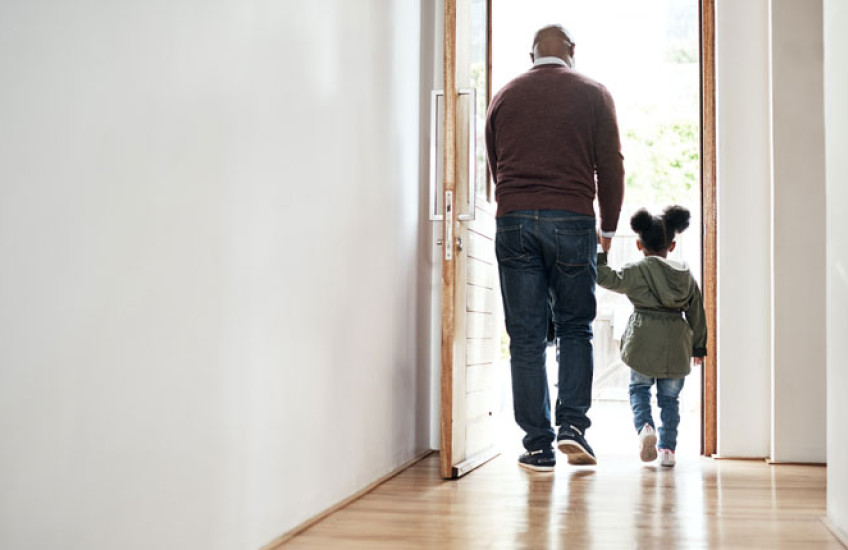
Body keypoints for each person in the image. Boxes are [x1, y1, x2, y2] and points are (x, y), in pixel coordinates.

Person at [486, 24, 624, 472]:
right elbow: (611, 167)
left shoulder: (503, 97)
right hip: (573, 220)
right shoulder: (594, 93)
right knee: (575, 328)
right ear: (571, 52)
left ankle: (539, 446)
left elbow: (495, 164)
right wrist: (607, 227)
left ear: (531, 56)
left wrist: (514, 206)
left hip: (515, 220)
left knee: (525, 338)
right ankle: (573, 428)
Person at [596, 206, 707, 467]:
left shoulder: (637, 270)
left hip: (643, 337)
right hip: (676, 342)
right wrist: (699, 347)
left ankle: (646, 428)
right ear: (672, 245)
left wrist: (602, 253)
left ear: (638, 244)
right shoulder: (685, 276)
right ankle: (667, 450)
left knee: (639, 388)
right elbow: (697, 313)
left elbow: (605, 277)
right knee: (670, 400)